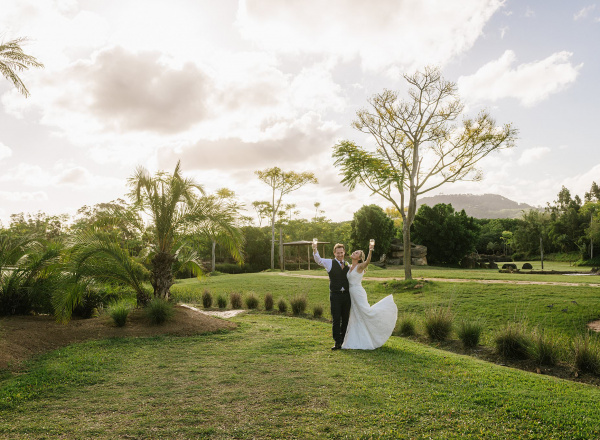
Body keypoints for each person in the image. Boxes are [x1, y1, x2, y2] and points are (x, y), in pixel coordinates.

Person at [342, 243, 398, 350]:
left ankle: (384, 314)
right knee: (356, 316)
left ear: (359, 258)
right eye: (355, 251)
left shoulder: (360, 267)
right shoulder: (349, 266)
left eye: (356, 253)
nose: (354, 252)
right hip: (351, 294)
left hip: (358, 293)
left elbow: (367, 262)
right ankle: (357, 339)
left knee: (366, 312)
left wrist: (370, 250)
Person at [313, 242, 351, 350]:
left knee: (345, 319)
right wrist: (315, 249)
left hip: (347, 296)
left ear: (344, 253)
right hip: (335, 295)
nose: (340, 255)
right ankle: (337, 342)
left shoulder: (348, 264)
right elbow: (318, 260)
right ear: (334, 253)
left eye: (341, 252)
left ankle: (344, 341)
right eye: (338, 253)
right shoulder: (330, 263)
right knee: (336, 319)